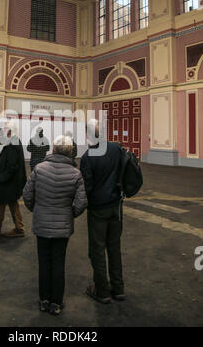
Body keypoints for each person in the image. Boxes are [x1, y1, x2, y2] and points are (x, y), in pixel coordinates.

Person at [23, 135, 87, 315]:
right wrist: (70, 214)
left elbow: (27, 195)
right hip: (63, 227)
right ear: (70, 152)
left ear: (52, 150)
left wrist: (36, 210)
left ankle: (44, 300)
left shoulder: (39, 169)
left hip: (41, 225)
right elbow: (81, 203)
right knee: (59, 263)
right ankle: (56, 303)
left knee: (44, 263)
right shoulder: (76, 173)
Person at [80, 119, 125, 304]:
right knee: (114, 248)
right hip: (116, 206)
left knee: (97, 250)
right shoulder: (117, 149)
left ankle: (102, 291)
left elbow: (86, 187)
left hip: (98, 209)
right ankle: (119, 288)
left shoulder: (87, 157)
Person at [0, 120, 27, 239]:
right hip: (12, 184)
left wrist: (1, 178)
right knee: (13, 204)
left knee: (0, 206)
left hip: (7, 184)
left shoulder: (12, 144)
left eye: (5, 128)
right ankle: (19, 228)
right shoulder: (14, 142)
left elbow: (12, 166)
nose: (3, 130)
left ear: (10, 130)